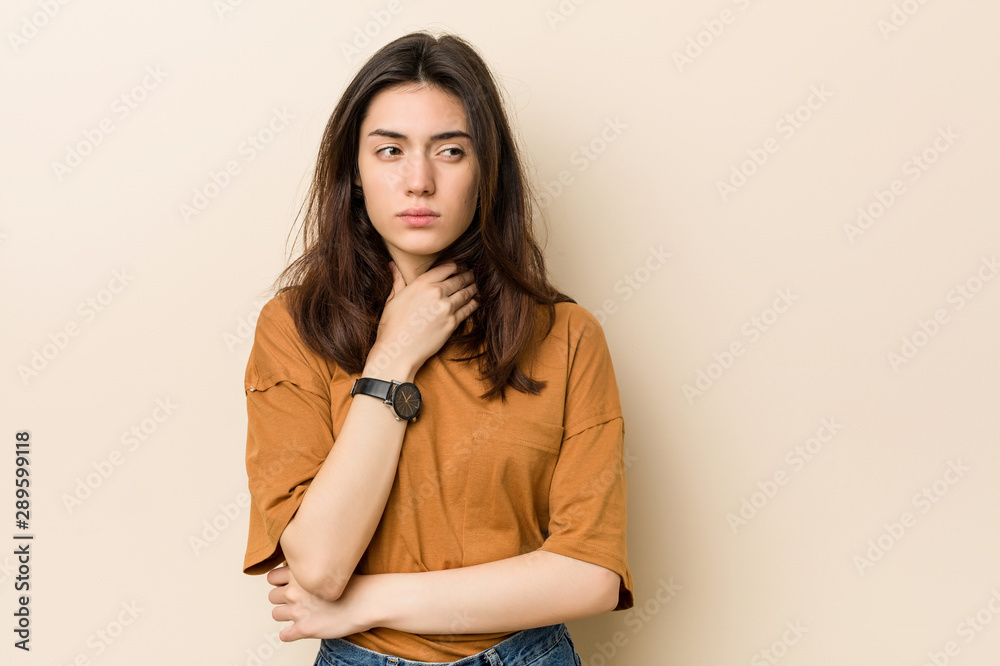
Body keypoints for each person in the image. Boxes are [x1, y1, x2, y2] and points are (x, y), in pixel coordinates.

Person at [241, 30, 634, 666]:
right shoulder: (295, 327)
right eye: (390, 150)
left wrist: (367, 602)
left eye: (450, 151)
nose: (418, 180)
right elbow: (316, 565)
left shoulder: (568, 336)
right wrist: (392, 359)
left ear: (486, 172)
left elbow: (589, 575)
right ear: (356, 175)